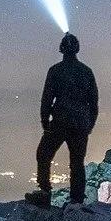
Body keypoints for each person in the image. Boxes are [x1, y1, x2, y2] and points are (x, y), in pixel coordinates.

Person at [27, 31, 99, 207]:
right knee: (77, 163)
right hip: (80, 124)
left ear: (61, 49)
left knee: (43, 155)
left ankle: (44, 193)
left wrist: (45, 122)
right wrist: (89, 125)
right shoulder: (86, 71)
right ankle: (77, 200)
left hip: (59, 122)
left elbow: (47, 99)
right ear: (77, 49)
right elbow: (94, 102)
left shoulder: (55, 71)